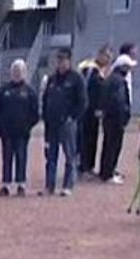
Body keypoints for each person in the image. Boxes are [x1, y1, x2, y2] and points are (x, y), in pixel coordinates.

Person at [41, 47, 87, 196]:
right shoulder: (52, 79)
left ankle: (68, 186)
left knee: (69, 155)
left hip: (67, 123)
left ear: (69, 60)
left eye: (63, 59)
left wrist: (72, 117)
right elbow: (46, 99)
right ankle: (49, 186)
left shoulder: (76, 79)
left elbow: (82, 102)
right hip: (52, 123)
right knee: (50, 156)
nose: (60, 63)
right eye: (58, 59)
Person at [0, 58, 38, 198]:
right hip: (6, 132)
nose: (17, 74)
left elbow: (34, 112)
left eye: (19, 71)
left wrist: (28, 125)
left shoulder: (29, 91)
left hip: (22, 132)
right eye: (14, 71)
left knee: (21, 157)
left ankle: (21, 184)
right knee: (6, 158)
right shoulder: (4, 90)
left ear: (24, 72)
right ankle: (6, 185)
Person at [99, 54, 136, 185]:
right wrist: (123, 118)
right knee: (113, 146)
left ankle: (105, 171)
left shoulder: (111, 79)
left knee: (107, 145)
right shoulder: (119, 81)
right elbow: (119, 102)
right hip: (116, 120)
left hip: (108, 118)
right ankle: (108, 173)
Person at [79, 45, 113, 179]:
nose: (108, 60)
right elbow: (91, 90)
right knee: (87, 139)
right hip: (87, 111)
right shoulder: (90, 69)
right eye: (107, 57)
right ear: (100, 54)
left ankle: (88, 166)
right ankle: (84, 167)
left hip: (92, 111)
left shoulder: (97, 70)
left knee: (91, 138)